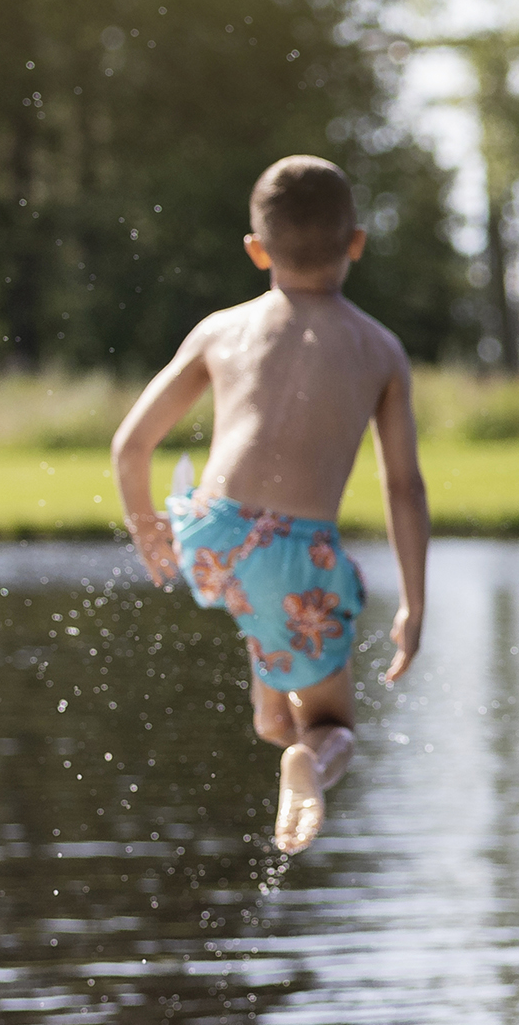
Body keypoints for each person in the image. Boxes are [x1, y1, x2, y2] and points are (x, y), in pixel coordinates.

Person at [113, 155, 429, 852]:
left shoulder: (221, 329)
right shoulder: (378, 347)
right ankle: (308, 763)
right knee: (329, 727)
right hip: (296, 556)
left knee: (273, 716)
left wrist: (149, 532)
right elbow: (403, 485)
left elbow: (130, 445)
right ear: (357, 241)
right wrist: (413, 599)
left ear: (257, 250)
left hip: (211, 533)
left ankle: (277, 713)